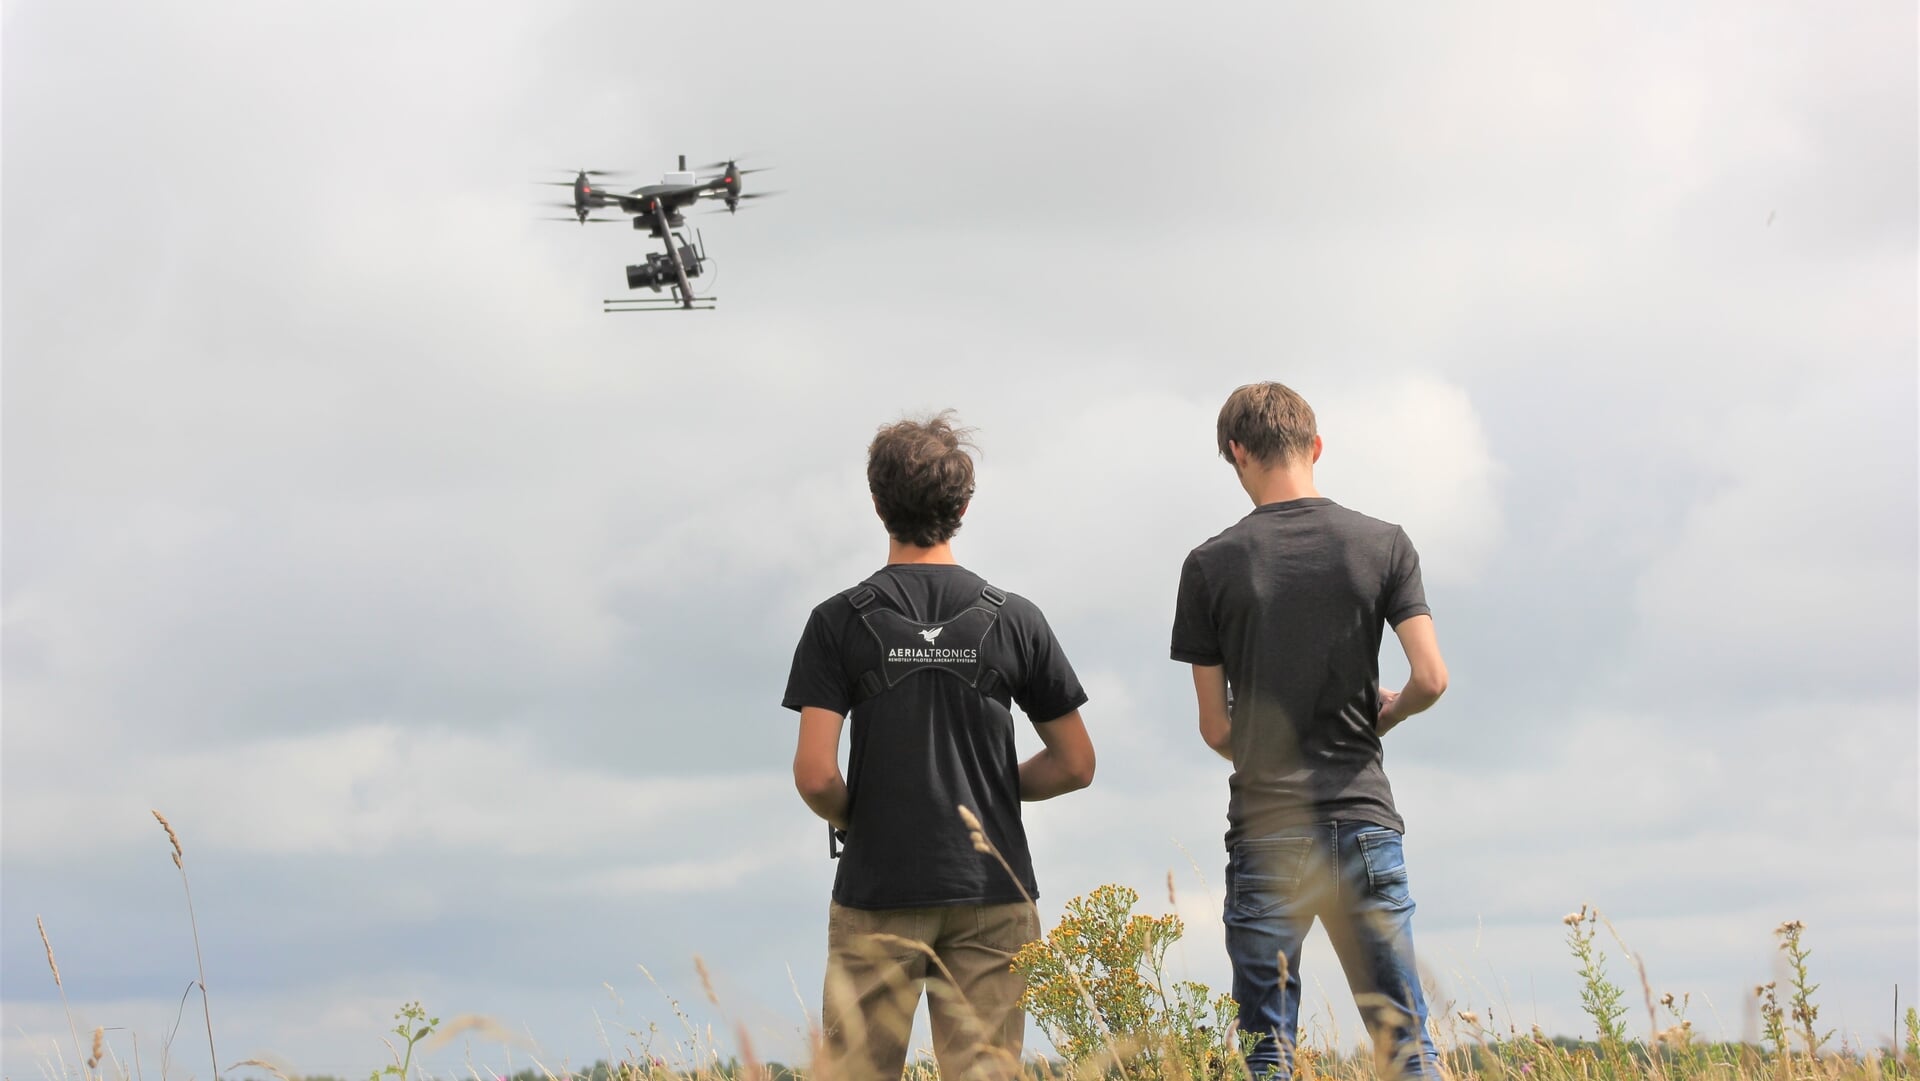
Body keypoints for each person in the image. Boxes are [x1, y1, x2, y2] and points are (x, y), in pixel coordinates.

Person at [784, 412, 1097, 1081]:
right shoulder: (1016, 619)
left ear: (877, 503)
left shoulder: (836, 621)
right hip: (992, 889)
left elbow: (814, 776)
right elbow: (1076, 763)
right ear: (962, 507)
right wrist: (984, 791)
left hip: (877, 890)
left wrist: (859, 816)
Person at [1170, 382, 1450, 1080]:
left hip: (1267, 827)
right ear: (1316, 445)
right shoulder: (1384, 544)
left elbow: (1214, 727)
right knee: (1406, 1045)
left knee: (1268, 1052)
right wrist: (1389, 712)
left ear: (1236, 451)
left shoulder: (1208, 565)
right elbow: (1430, 677)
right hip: (1364, 818)